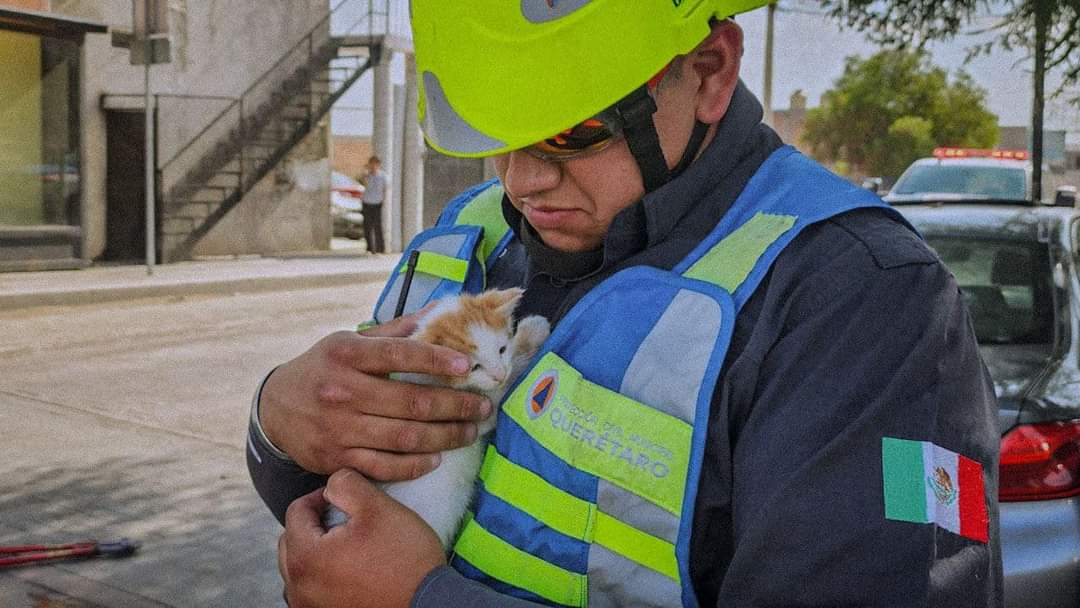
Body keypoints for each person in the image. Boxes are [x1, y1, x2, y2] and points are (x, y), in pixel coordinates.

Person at [248, 2, 1003, 607]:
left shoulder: (862, 297)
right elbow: (333, 512)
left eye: (573, 133)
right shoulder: (472, 233)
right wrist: (276, 427)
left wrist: (422, 598)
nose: (522, 182)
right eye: (500, 134)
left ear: (709, 72)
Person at [360, 155, 386, 254]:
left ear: (378, 165)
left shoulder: (383, 176)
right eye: (371, 164)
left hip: (377, 203)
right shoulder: (367, 175)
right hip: (367, 202)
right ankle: (370, 248)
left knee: (377, 226)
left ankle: (380, 248)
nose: (373, 166)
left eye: (375, 164)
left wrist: (383, 201)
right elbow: (365, 184)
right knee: (367, 226)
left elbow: (385, 190)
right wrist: (366, 173)